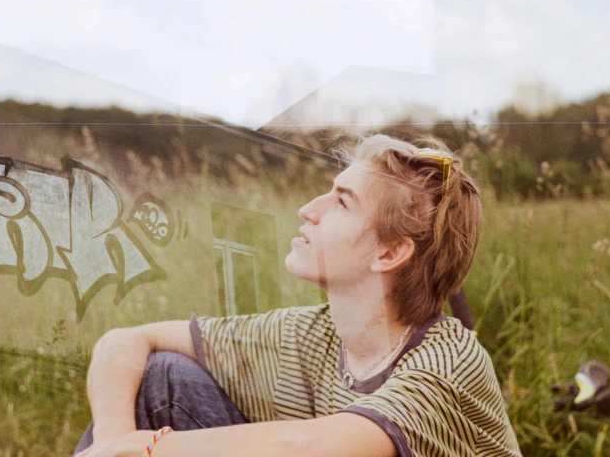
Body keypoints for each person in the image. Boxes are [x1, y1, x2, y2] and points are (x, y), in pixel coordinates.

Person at [74, 134, 522, 457]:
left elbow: (310, 445)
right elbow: (124, 342)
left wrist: (147, 448)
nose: (308, 210)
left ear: (389, 251)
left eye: (342, 202)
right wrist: (114, 446)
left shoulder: (449, 364)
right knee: (162, 377)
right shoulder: (310, 335)